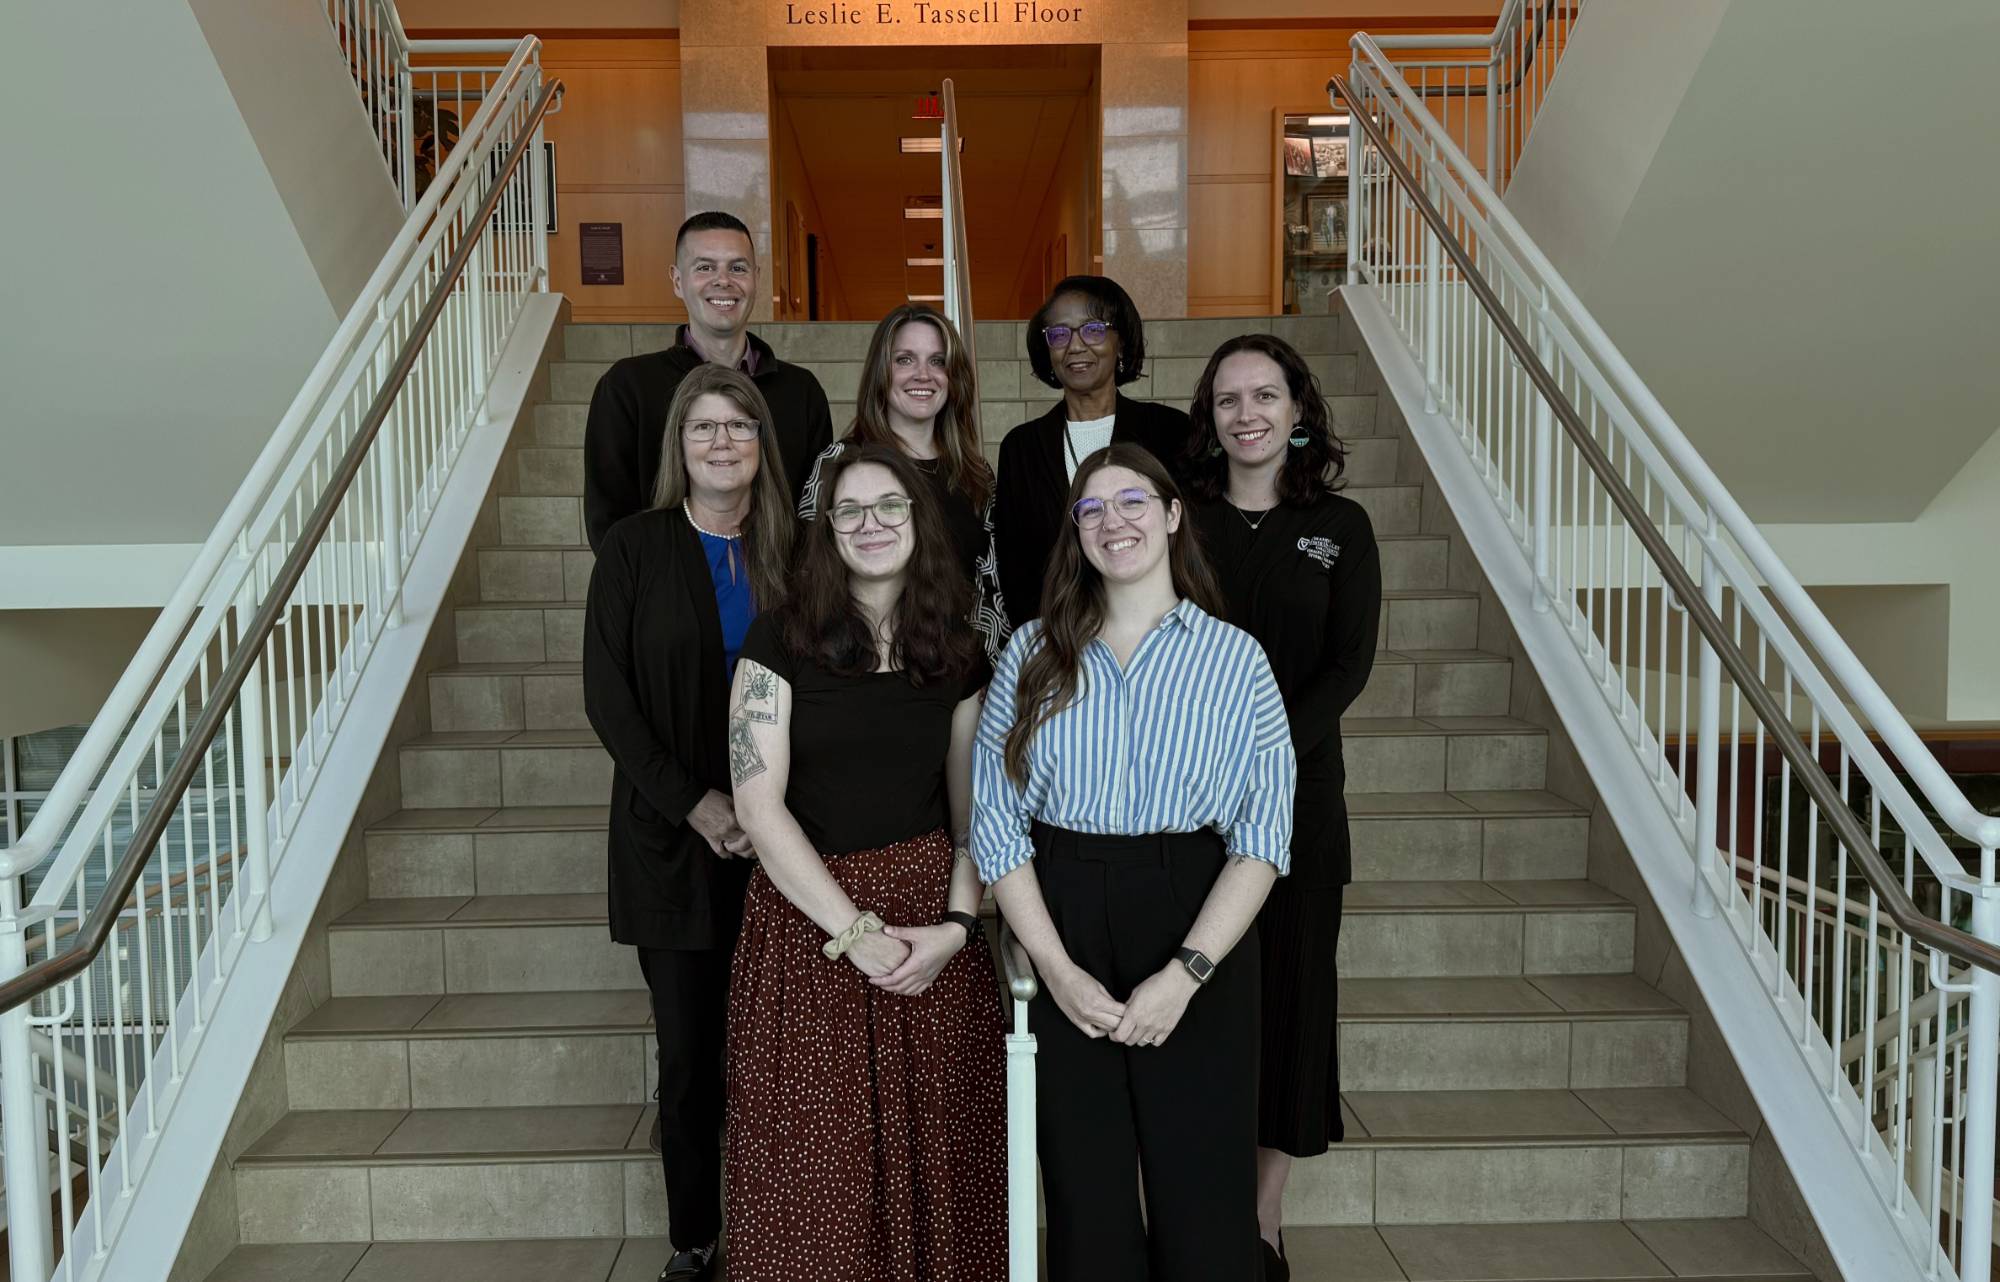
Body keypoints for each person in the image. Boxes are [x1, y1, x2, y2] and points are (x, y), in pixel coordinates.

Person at [972, 443, 1296, 1282]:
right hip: (1064, 910)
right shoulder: (1031, 654)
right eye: (1091, 510)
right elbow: (999, 825)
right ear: (1074, 533)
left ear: (1173, 514)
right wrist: (1056, 969)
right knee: (1086, 1190)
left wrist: (1186, 973)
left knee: (1206, 1191)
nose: (1112, 522)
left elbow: (1263, 837)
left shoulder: (1235, 660)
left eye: (1133, 502)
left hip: (1195, 913)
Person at [725, 444, 1007, 1281]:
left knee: (943, 1155)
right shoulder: (779, 635)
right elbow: (755, 804)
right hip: (810, 928)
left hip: (927, 934)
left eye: (891, 506)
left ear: (919, 521)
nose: (871, 524)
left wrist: (956, 930)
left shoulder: (958, 648)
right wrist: (854, 931)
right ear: (828, 528)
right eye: (850, 509)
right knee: (818, 1161)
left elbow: (972, 819)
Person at [581, 365, 794, 1282]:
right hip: (672, 839)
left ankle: (788, 1225)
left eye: (738, 427)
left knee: (784, 1044)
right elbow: (609, 700)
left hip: (784, 842)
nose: (720, 442)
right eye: (702, 427)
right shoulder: (633, 548)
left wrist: (767, 812)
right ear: (678, 444)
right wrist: (700, 804)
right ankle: (696, 1239)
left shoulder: (800, 547)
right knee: (691, 1052)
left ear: (761, 447)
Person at [1184, 334, 1381, 1282]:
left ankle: (1261, 1225)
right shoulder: (1182, 523)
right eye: (1229, 399)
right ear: (1210, 417)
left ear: (1299, 409)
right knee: (1206, 1005)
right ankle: (1199, 1207)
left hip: (1299, 805)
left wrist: (1261, 754)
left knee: (1291, 1009)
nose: (1249, 414)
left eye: (1267, 395)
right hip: (1186, 808)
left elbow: (1349, 665)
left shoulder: (1340, 526)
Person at [583, 210, 833, 551]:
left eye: (738, 267)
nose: (723, 280)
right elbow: (608, 519)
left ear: (756, 279)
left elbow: (813, 511)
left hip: (777, 596)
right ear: (676, 281)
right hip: (664, 595)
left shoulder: (801, 391)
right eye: (705, 267)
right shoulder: (627, 388)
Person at [797, 303, 1008, 656]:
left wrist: (990, 668)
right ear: (882, 372)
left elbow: (991, 589)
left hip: (960, 674)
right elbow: (812, 577)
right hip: (869, 669)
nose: (923, 374)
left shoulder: (975, 474)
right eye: (905, 359)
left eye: (937, 361)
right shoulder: (839, 464)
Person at [993, 275, 1192, 628]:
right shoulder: (1021, 448)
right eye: (1059, 334)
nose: (1075, 345)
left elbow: (1189, 544)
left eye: (1093, 329)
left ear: (1121, 340)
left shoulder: (1170, 431)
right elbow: (1014, 566)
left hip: (1157, 635)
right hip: (1057, 641)